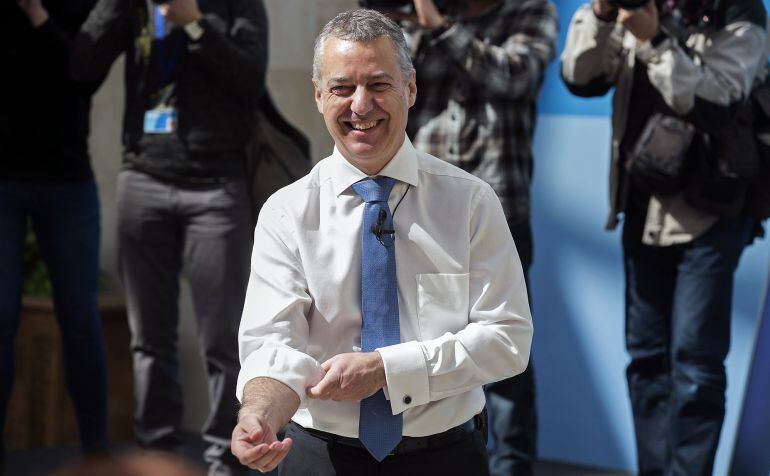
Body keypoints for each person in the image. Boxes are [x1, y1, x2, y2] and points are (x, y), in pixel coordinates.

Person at [230, 8, 534, 476]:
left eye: (378, 85)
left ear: (410, 89)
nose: (360, 105)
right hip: (318, 458)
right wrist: (258, 416)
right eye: (341, 88)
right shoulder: (286, 212)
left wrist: (387, 370)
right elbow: (273, 345)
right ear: (317, 96)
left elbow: (508, 339)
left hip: (444, 457)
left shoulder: (471, 202)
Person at [561, 0, 768, 474]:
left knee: (695, 363)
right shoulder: (637, 8)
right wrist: (603, 13)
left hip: (711, 212)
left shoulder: (739, 13)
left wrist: (654, 41)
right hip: (641, 205)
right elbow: (580, 75)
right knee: (647, 359)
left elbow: (716, 101)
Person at [71, 1, 267, 474]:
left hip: (216, 185)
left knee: (224, 338)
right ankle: (156, 455)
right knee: (148, 338)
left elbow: (250, 78)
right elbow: (80, 67)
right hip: (144, 179)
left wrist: (195, 24)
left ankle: (227, 457)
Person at [395, 1, 558, 473]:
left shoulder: (529, 10)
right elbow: (394, 94)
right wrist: (417, 33)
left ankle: (509, 468)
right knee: (423, 344)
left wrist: (442, 29)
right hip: (419, 213)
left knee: (504, 359)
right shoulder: (419, 22)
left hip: (500, 214)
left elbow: (516, 75)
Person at [0, 0, 108, 468]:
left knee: (80, 319)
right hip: (2, 180)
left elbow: (81, 78)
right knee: (1, 319)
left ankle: (98, 456)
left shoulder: (83, 6)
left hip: (67, 178)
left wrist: (38, 15)